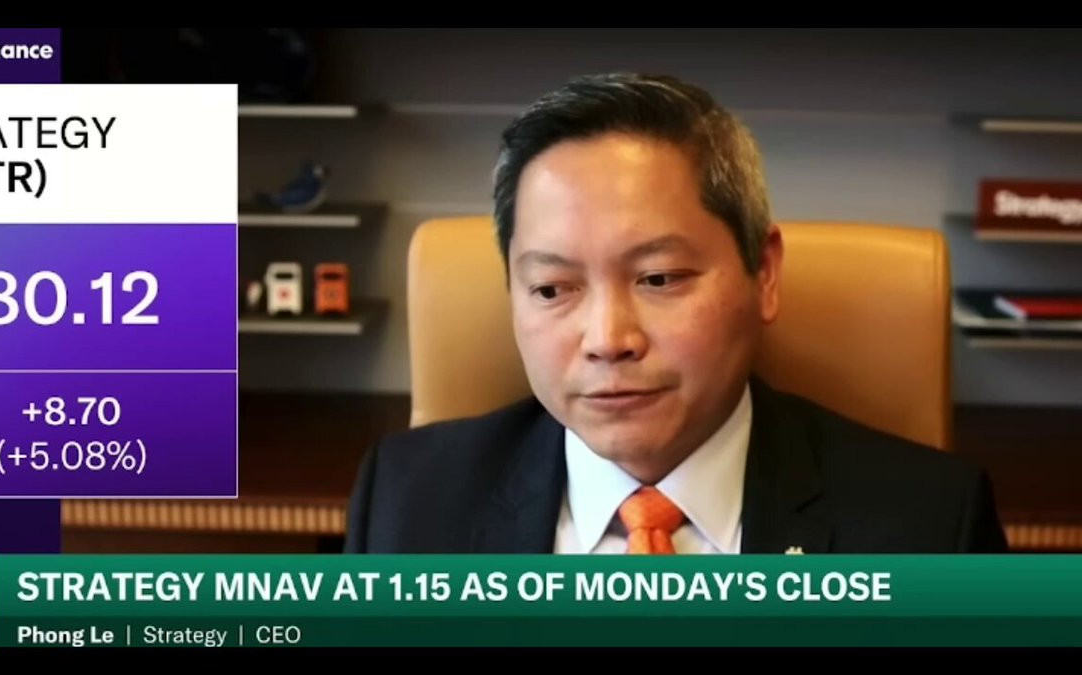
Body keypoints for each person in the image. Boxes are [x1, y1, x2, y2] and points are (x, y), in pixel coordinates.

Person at [345, 73, 1008, 554]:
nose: (608, 340)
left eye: (658, 278)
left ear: (764, 273)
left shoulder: (931, 526)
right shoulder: (405, 503)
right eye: (551, 288)